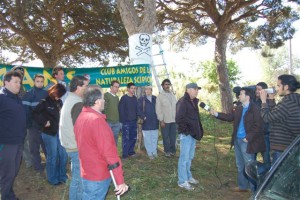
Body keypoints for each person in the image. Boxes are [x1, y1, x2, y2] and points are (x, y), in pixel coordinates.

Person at [74, 85, 129, 199]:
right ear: (98, 102)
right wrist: (120, 181)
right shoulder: (97, 121)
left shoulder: (81, 117)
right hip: (98, 174)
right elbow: (109, 153)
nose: (104, 101)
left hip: (86, 171)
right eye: (103, 99)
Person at [210, 87, 265, 192]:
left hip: (247, 142)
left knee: (250, 166)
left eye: (241, 94)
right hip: (237, 140)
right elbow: (230, 117)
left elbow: (259, 126)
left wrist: (248, 138)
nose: (239, 96)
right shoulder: (239, 107)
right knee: (240, 165)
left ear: (247, 96)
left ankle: (254, 190)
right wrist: (216, 114)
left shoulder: (256, 109)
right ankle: (243, 186)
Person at [59, 76, 89, 200]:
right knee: (79, 179)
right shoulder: (77, 103)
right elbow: (80, 129)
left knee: (76, 175)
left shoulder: (70, 98)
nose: (87, 89)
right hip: (75, 146)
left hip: (70, 143)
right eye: (86, 86)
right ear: (78, 87)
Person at [32, 84, 68, 185]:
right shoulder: (44, 102)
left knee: (63, 154)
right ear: (53, 91)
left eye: (61, 95)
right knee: (53, 155)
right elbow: (34, 113)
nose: (59, 96)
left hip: (59, 132)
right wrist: (44, 121)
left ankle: (62, 175)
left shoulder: (59, 102)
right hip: (49, 133)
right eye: (58, 94)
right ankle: (52, 178)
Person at [260, 74, 300, 164]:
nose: (277, 88)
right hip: (287, 146)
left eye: (278, 85)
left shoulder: (288, 103)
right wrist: (271, 99)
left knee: (278, 177)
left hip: (283, 149)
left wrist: (263, 101)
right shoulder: (292, 101)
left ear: (286, 87)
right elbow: (275, 116)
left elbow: (267, 118)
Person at [0, 71, 26, 200]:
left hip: (18, 141)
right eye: (16, 82)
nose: (18, 85)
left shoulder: (16, 97)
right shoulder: (1, 98)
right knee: (7, 173)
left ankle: (9, 194)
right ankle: (6, 196)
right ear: (6, 82)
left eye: (20, 82)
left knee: (14, 171)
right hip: (6, 143)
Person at [176, 83, 203, 191]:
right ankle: (182, 181)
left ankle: (188, 176)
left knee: (190, 157)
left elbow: (194, 118)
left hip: (192, 134)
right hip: (186, 134)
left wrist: (198, 131)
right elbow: (179, 118)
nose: (197, 91)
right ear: (189, 90)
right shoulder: (183, 101)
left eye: (197, 89)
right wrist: (186, 132)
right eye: (195, 89)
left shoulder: (193, 101)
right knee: (184, 158)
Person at [22, 74, 48, 175]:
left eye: (42, 81)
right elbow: (26, 111)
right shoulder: (28, 94)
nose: (40, 83)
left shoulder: (47, 94)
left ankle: (51, 165)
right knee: (34, 148)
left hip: (45, 126)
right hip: (33, 126)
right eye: (38, 81)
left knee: (47, 146)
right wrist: (29, 125)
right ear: (34, 82)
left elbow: (50, 110)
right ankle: (38, 168)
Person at [254, 82, 273, 172]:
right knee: (251, 158)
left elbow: (269, 118)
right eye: (256, 89)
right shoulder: (254, 101)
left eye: (259, 89)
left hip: (265, 135)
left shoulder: (269, 102)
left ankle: (267, 179)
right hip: (254, 135)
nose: (257, 91)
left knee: (266, 158)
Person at [156, 79, 177, 157]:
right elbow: (158, 109)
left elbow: (175, 107)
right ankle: (167, 151)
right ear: (162, 86)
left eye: (168, 84)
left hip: (173, 120)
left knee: (173, 137)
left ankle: (173, 151)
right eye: (165, 84)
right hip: (165, 120)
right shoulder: (160, 96)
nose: (167, 86)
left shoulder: (173, 95)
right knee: (165, 137)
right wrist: (161, 120)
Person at [137, 85, 159, 159]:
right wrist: (143, 117)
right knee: (147, 138)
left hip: (155, 121)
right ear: (145, 90)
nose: (148, 91)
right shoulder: (142, 99)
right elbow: (138, 109)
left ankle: (154, 152)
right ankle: (150, 153)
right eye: (146, 89)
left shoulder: (155, 98)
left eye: (149, 89)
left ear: (151, 90)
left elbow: (159, 108)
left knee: (154, 137)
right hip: (146, 122)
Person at [118, 82, 138, 159]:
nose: (133, 90)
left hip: (134, 121)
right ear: (128, 89)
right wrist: (122, 122)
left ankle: (131, 152)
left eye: (134, 88)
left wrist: (137, 118)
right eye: (131, 88)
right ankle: (125, 155)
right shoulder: (124, 98)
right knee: (126, 138)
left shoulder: (135, 98)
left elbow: (136, 110)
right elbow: (121, 110)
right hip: (126, 122)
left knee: (133, 137)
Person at [104, 80, 121, 145]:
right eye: (115, 86)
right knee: (107, 139)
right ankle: (107, 155)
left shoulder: (117, 97)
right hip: (108, 122)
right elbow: (103, 108)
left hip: (116, 122)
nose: (117, 88)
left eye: (118, 87)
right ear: (111, 87)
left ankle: (114, 154)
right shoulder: (106, 95)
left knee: (115, 139)